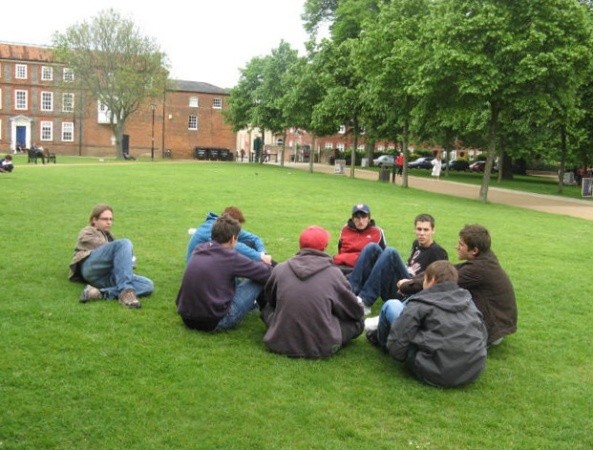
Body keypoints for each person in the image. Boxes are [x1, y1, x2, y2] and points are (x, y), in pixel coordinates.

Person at [368, 261, 487, 387]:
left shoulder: (421, 302)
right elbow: (483, 333)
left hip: (432, 369)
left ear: (432, 280)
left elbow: (397, 346)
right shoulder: (468, 301)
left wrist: (404, 353)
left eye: (424, 279)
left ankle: (380, 341)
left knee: (392, 305)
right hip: (471, 370)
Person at [261, 226, 364, 358]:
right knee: (358, 323)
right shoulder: (334, 274)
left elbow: (271, 300)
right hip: (322, 345)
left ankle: (284, 332)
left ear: (300, 245)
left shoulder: (280, 269)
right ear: (325, 246)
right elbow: (355, 312)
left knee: (267, 309)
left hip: (280, 341)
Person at [176, 214, 272, 332]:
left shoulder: (199, 249)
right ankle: (270, 312)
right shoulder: (231, 257)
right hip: (215, 321)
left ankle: (260, 306)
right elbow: (266, 273)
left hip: (187, 318)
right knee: (259, 278)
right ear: (233, 239)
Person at [350, 213, 448, 315]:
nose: (422, 233)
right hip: (398, 285)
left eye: (426, 230)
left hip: (409, 292)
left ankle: (366, 301)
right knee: (372, 247)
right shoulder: (416, 244)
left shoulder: (437, 251)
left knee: (391, 253)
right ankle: (350, 294)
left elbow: (440, 282)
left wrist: (411, 283)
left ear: (433, 230)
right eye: (419, 229)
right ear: (414, 229)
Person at [69, 204, 154, 308]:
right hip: (90, 268)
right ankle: (126, 292)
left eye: (110, 219)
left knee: (147, 285)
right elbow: (101, 248)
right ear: (94, 220)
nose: (109, 222)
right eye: (105, 219)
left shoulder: (110, 237)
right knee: (125, 243)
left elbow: (126, 262)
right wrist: (123, 256)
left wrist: (123, 258)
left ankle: (99, 293)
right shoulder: (87, 231)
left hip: (104, 277)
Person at [455, 224, 517, 346]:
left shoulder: (479, 268)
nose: (457, 247)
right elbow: (452, 269)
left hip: (492, 331)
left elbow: (442, 279)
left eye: (461, 244)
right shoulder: (486, 258)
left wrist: (411, 285)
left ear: (474, 250)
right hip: (499, 326)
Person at [186, 206, 272, 265]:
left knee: (249, 243)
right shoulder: (213, 228)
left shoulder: (226, 226)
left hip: (211, 259)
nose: (239, 228)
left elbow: (255, 238)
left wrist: (262, 252)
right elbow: (236, 246)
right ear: (231, 221)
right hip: (199, 265)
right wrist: (259, 256)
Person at [333, 203, 386, 274]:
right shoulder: (345, 229)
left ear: (369, 218)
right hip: (341, 266)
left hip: (363, 269)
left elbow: (382, 256)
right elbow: (340, 250)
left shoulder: (377, 232)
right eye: (357, 218)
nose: (360, 221)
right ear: (353, 219)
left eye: (364, 217)